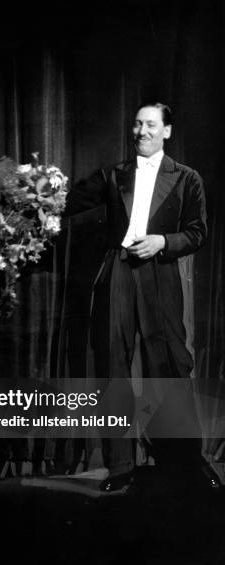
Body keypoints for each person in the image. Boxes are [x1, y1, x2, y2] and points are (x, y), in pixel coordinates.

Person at [66, 102, 210, 491]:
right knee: (113, 365)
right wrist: (27, 195)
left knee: (170, 367)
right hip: (117, 272)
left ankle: (182, 460)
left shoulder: (186, 178)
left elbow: (197, 232)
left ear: (167, 131)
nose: (141, 131)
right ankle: (120, 467)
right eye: (137, 124)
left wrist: (164, 240)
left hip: (160, 274)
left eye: (150, 125)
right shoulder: (113, 175)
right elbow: (66, 200)